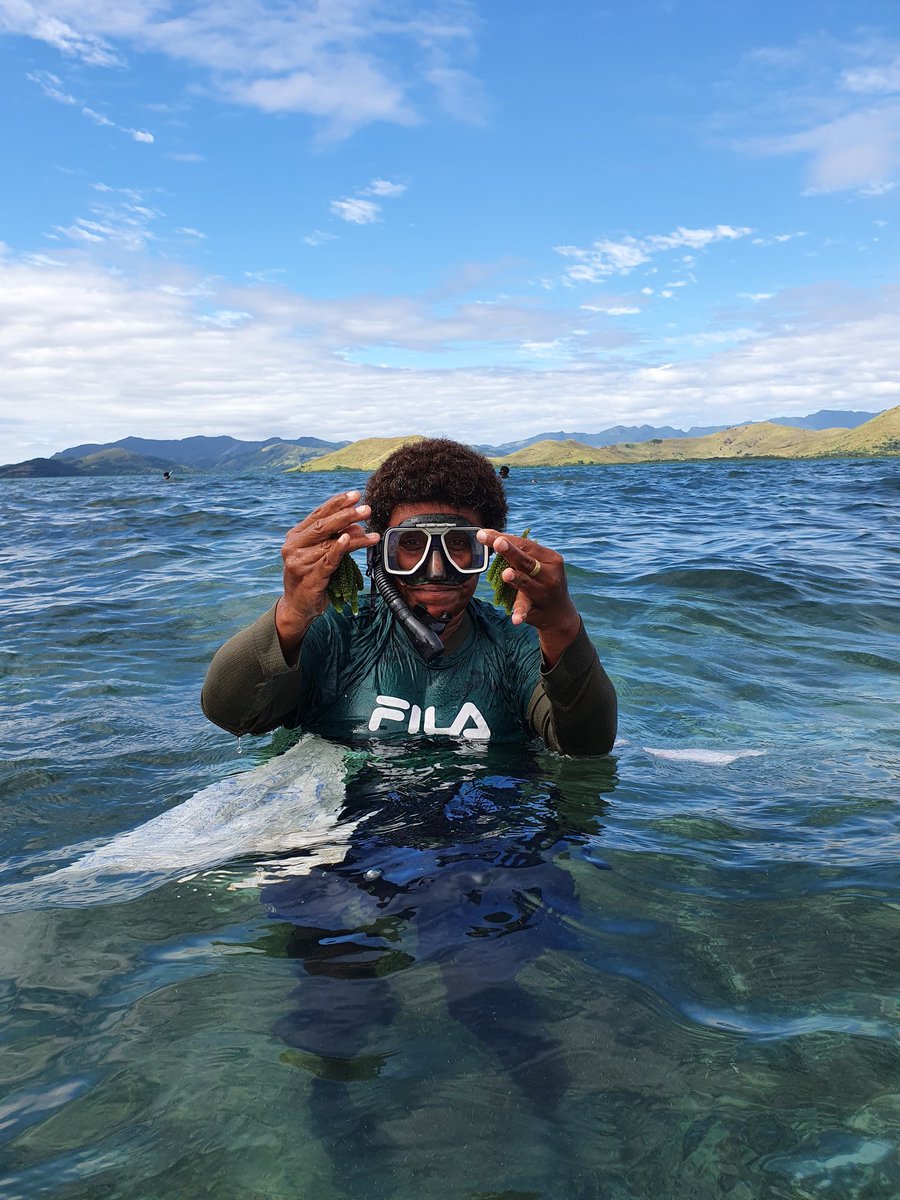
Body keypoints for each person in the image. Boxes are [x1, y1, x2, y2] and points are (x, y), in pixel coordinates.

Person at [201, 437, 616, 755]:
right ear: (379, 551)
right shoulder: (336, 634)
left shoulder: (515, 645)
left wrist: (562, 627)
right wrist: (292, 613)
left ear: (487, 551)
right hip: (347, 840)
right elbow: (229, 713)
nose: (435, 570)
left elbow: (586, 747)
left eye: (457, 544)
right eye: (411, 544)